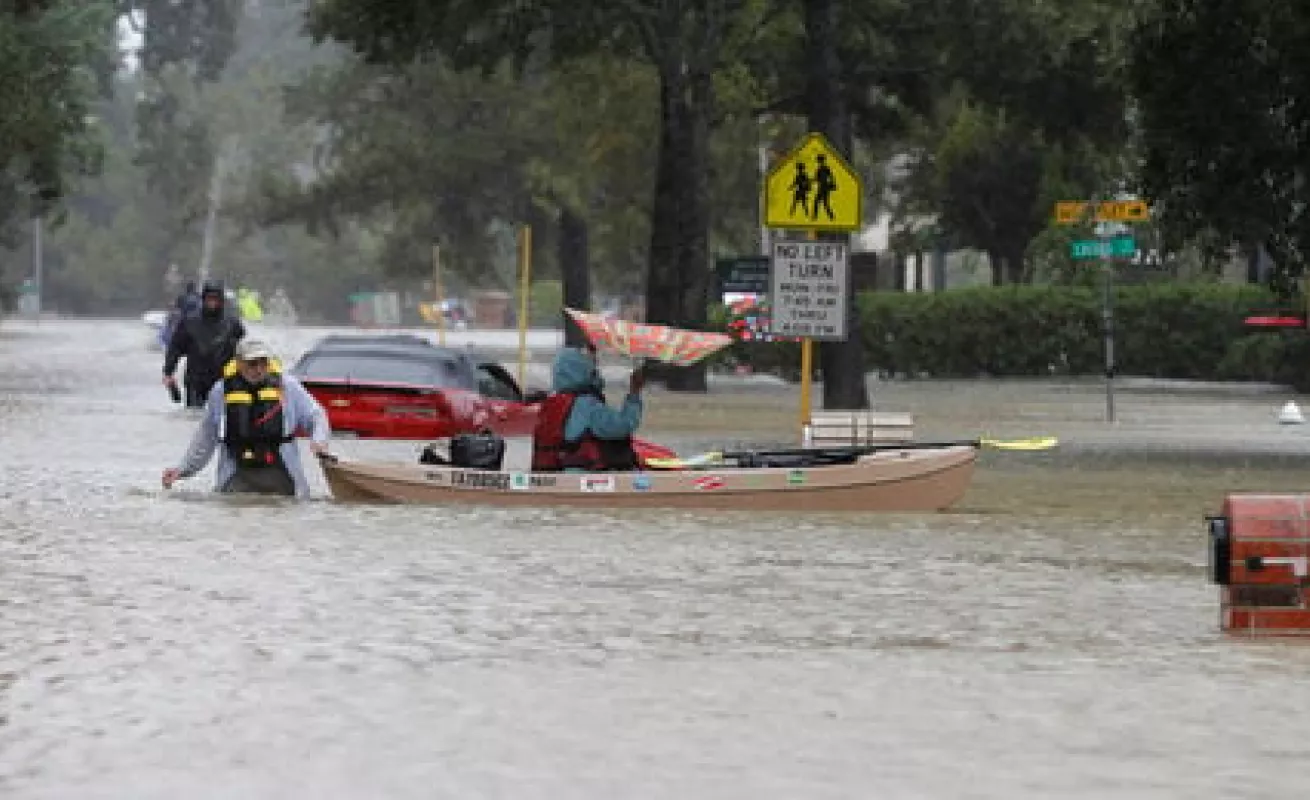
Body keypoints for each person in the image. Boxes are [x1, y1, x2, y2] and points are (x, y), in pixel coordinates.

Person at [161, 339, 331, 497]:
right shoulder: (221, 391)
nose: (258, 369)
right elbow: (206, 437)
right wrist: (182, 470)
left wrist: (319, 441)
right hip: (236, 474)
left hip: (282, 471)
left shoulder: (288, 386)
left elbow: (316, 416)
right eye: (252, 364)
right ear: (239, 363)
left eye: (263, 362)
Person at [531, 347, 645, 471]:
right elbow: (622, 426)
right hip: (583, 476)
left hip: (554, 473)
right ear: (583, 370)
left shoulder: (549, 403)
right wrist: (634, 393)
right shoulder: (587, 405)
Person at [163, 279, 246, 407]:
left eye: (216, 299)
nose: (212, 302)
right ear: (203, 299)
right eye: (209, 298)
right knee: (194, 416)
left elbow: (244, 350)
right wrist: (168, 373)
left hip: (224, 380)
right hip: (196, 380)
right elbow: (175, 348)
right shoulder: (189, 322)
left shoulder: (233, 323)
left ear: (221, 300)